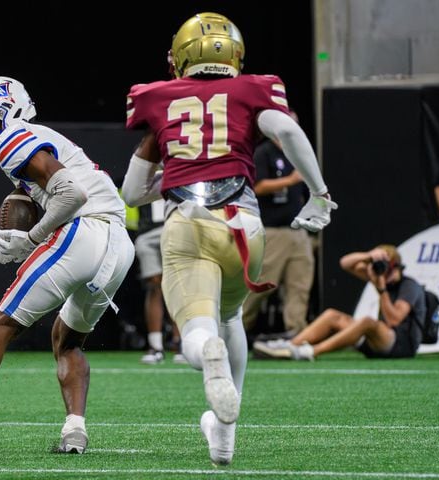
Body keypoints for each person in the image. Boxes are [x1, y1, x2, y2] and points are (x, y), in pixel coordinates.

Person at [120, 12, 337, 466]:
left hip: (189, 222)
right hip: (246, 226)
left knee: (198, 331)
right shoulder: (253, 91)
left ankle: (206, 354)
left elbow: (131, 192)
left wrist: (177, 170)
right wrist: (318, 194)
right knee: (231, 315)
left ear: (181, 56)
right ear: (234, 54)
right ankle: (224, 437)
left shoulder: (159, 99)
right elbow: (288, 131)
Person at [0, 76, 135, 459]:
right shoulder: (35, 144)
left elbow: (72, 194)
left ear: (10, 110)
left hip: (85, 230)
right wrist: (23, 240)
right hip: (119, 248)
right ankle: (75, 431)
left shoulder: (13, 135)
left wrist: (31, 238)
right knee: (67, 340)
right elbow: (60, 190)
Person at [253, 244, 425, 361]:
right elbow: (345, 263)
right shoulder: (380, 277)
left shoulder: (409, 286)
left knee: (367, 321)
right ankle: (290, 346)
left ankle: (310, 351)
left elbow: (394, 320)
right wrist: (369, 256)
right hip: (377, 343)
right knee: (332, 315)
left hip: (402, 346)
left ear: (395, 267)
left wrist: (381, 289)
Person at [242, 111, 315, 338]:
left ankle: (297, 333)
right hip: (273, 231)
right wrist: (290, 180)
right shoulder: (264, 153)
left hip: (297, 230)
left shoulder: (299, 153)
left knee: (300, 283)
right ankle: (236, 328)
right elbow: (257, 186)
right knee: (261, 283)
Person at [135, 199, 185, 364]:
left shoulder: (179, 172)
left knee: (177, 286)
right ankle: (156, 347)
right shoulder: (141, 173)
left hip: (176, 229)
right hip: (148, 231)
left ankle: (181, 345)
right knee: (154, 286)